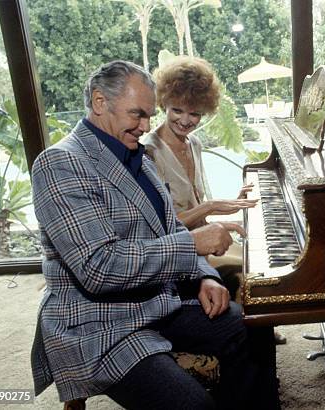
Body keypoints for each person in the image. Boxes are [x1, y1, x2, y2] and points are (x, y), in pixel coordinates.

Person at [30, 60, 277, 409]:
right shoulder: (59, 163)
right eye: (137, 115)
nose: (146, 126)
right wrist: (193, 243)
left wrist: (206, 276)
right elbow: (98, 268)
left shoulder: (136, 155)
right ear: (100, 103)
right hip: (101, 325)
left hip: (155, 302)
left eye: (148, 115)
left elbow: (170, 227)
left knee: (253, 325)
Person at [141, 56, 286, 344]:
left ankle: (258, 330)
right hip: (178, 249)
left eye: (194, 114)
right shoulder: (149, 152)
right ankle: (253, 335)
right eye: (176, 110)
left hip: (202, 238)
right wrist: (210, 207)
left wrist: (234, 202)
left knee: (257, 260)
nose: (185, 120)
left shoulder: (193, 143)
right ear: (163, 105)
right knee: (250, 269)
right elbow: (158, 228)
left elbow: (196, 205)